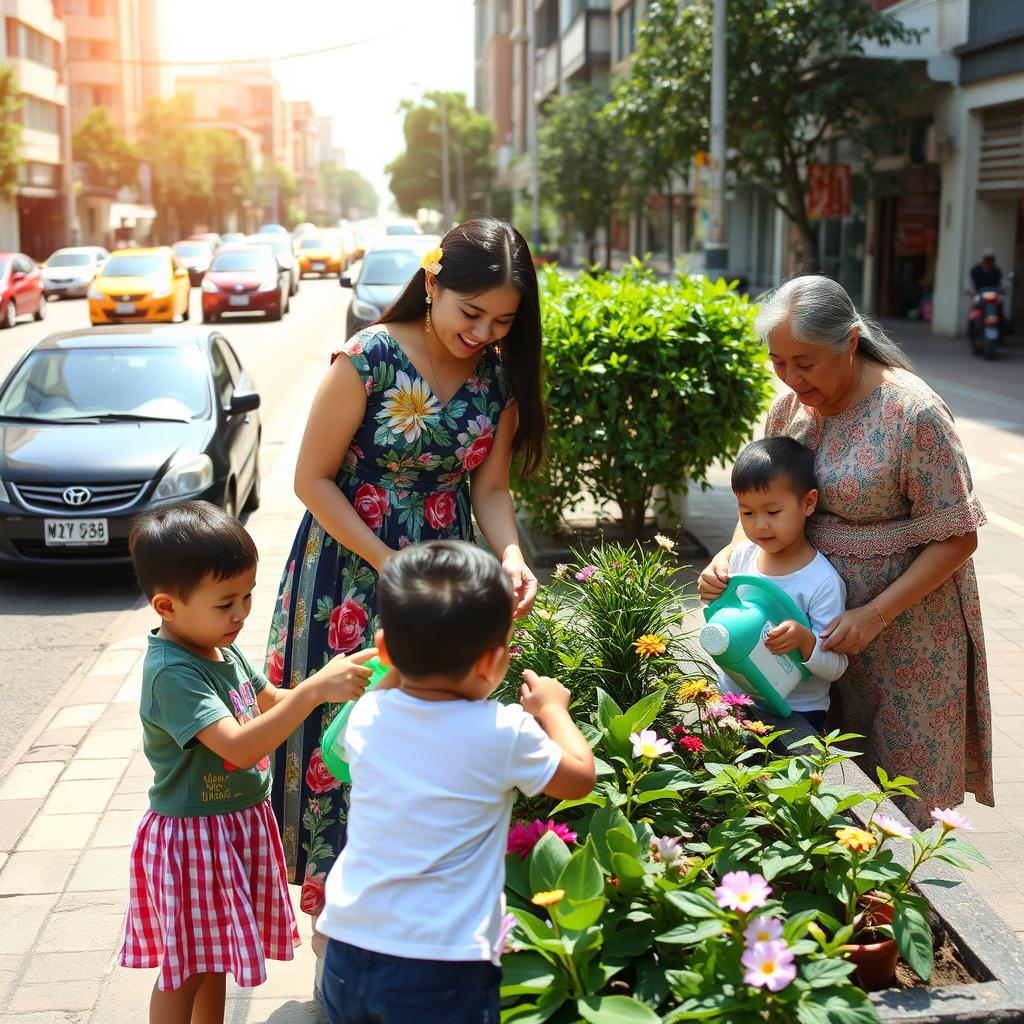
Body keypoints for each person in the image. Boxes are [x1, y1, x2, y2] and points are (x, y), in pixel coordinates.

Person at [263, 217, 547, 996]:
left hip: (443, 588)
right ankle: (339, 949)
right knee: (343, 747)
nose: (483, 333)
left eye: (502, 321)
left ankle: (410, 937)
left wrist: (512, 556)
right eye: (471, 314)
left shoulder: (498, 380)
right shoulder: (368, 358)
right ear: (432, 284)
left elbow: (489, 490)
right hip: (346, 582)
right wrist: (392, 564)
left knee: (427, 744)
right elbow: (311, 480)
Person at [698, 274, 994, 828]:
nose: (790, 378)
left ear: (851, 341)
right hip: (807, 633)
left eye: (805, 362)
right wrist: (731, 554)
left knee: (902, 799)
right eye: (778, 362)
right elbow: (764, 504)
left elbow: (960, 535)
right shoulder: (792, 411)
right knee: (821, 790)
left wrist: (875, 613)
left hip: (906, 637)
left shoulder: (914, 415)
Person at [118, 501, 378, 1024]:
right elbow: (238, 745)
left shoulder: (220, 648)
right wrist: (312, 694)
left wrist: (332, 678)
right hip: (194, 837)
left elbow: (271, 701)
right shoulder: (173, 672)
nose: (241, 613)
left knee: (213, 962)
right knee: (185, 969)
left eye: (248, 597)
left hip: (230, 825)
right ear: (167, 606)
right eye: (225, 603)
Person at [316, 540, 596, 1023]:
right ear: (492, 661)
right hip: (442, 966)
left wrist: (391, 661)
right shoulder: (503, 731)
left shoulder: (368, 716)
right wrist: (553, 710)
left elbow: (366, 712)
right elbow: (580, 779)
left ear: (385, 650)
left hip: (348, 949)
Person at [705, 437, 849, 731]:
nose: (759, 525)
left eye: (772, 512)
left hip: (798, 712)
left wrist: (805, 641)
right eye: (747, 513)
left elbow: (836, 667)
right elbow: (725, 623)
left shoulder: (821, 582)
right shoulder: (742, 556)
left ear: (808, 503)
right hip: (733, 697)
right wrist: (711, 593)